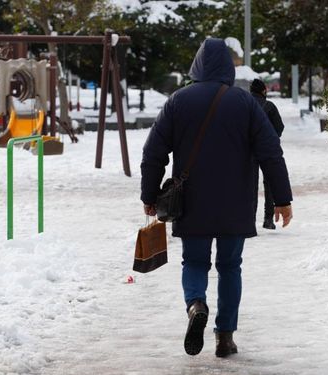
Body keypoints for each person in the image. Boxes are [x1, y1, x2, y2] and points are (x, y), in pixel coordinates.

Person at [140, 38, 293, 358]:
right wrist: (282, 198)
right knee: (230, 266)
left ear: (196, 66)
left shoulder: (178, 101)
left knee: (194, 261)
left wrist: (150, 194)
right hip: (235, 202)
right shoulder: (246, 102)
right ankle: (225, 336)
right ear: (227, 67)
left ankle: (196, 303)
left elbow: (153, 152)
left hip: (191, 200)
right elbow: (271, 153)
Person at [249, 78, 285, 230]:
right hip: (266, 150)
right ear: (264, 91)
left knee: (250, 185)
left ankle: (249, 221)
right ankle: (268, 219)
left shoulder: (244, 105)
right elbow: (279, 127)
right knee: (269, 184)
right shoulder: (269, 106)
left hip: (247, 151)